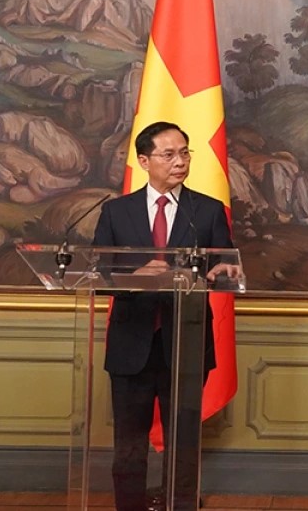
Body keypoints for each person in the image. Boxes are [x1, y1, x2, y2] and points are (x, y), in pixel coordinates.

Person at [92, 121, 235, 511]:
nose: (180, 161)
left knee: (183, 442)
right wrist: (135, 277)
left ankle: (180, 504)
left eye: (185, 152)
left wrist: (222, 271)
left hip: (186, 342)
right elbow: (99, 274)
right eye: (169, 154)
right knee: (129, 444)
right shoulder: (116, 212)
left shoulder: (207, 211)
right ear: (144, 161)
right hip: (131, 343)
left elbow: (224, 265)